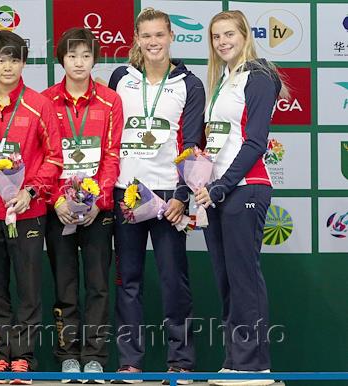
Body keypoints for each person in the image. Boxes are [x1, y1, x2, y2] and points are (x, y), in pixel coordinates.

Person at [108, 8, 205, 384]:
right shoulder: (121, 77)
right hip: (126, 193)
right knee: (128, 280)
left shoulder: (189, 84)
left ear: (170, 37)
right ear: (136, 39)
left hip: (169, 196)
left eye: (159, 35)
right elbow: (110, 134)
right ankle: (130, 362)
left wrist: (183, 194)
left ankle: (180, 362)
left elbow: (193, 143)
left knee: (173, 280)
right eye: (146, 35)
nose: (153, 42)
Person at [195, 10, 286, 386]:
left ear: (245, 34)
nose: (222, 42)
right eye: (216, 37)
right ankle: (235, 361)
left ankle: (255, 366)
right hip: (218, 193)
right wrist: (202, 183)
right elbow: (217, 143)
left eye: (229, 34)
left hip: (245, 187)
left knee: (245, 278)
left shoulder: (260, 75)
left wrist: (222, 186)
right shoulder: (223, 80)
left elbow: (255, 142)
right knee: (227, 280)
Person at [0, 31, 63, 385]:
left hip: (28, 211)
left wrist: (33, 191)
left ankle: (22, 358)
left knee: (27, 288)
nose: (7, 66)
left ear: (24, 62)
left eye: (14, 59)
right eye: (0, 59)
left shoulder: (40, 105)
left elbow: (55, 157)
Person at [42, 27, 123, 382]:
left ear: (95, 59)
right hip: (57, 209)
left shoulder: (109, 101)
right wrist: (58, 198)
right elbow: (43, 157)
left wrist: (96, 200)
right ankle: (67, 355)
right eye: (72, 55)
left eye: (86, 56)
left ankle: (95, 355)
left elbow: (111, 155)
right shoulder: (44, 101)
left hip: (97, 211)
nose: (79, 62)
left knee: (98, 285)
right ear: (61, 59)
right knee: (65, 285)